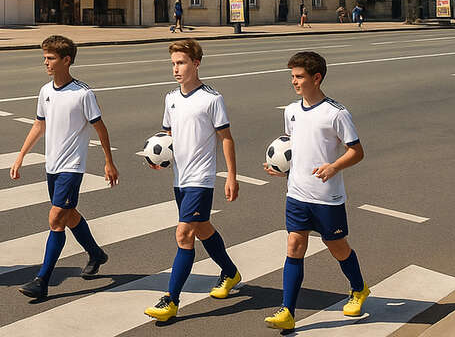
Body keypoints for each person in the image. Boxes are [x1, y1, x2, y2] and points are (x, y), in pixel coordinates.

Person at [262, 51, 369, 330]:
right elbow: (293, 147)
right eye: (292, 77)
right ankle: (287, 311)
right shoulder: (291, 111)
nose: (294, 82)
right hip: (296, 194)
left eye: (299, 77)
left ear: (316, 78)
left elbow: (356, 152)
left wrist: (334, 166)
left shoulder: (336, 113)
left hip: (327, 198)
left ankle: (358, 288)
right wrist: (280, 167)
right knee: (294, 246)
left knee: (338, 248)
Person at [10, 35, 119, 300]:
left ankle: (42, 280)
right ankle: (96, 253)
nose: (45, 62)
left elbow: (100, 128)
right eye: (45, 57)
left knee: (56, 219)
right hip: (53, 165)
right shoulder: (46, 91)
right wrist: (21, 155)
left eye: (50, 58)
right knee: (69, 216)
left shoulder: (83, 93)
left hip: (72, 166)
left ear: (66, 60)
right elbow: (39, 125)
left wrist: (109, 161)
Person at [143, 39, 242, 322]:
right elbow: (167, 137)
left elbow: (226, 139)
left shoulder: (211, 99)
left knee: (184, 234)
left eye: (182, 63)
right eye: (173, 63)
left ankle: (171, 300)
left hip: (201, 177)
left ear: (196, 64)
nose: (176, 69)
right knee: (201, 229)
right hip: (180, 177)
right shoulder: (171, 98)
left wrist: (231, 176)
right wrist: (157, 157)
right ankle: (230, 272)